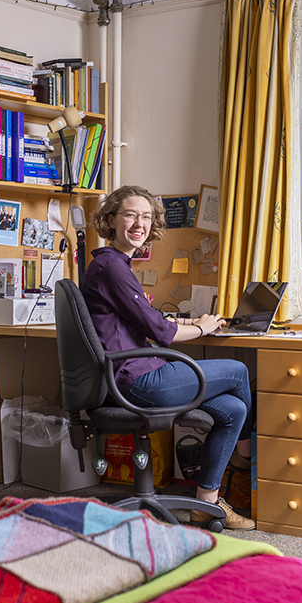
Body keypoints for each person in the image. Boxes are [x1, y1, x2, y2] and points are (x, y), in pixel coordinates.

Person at [80, 184, 255, 530]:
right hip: (137, 382)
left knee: (233, 410)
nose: (138, 223)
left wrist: (187, 321)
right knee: (237, 371)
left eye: (145, 217)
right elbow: (163, 334)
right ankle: (243, 461)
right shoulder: (113, 267)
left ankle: (207, 503)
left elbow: (148, 319)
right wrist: (203, 328)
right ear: (111, 219)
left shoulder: (113, 265)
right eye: (130, 215)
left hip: (133, 375)